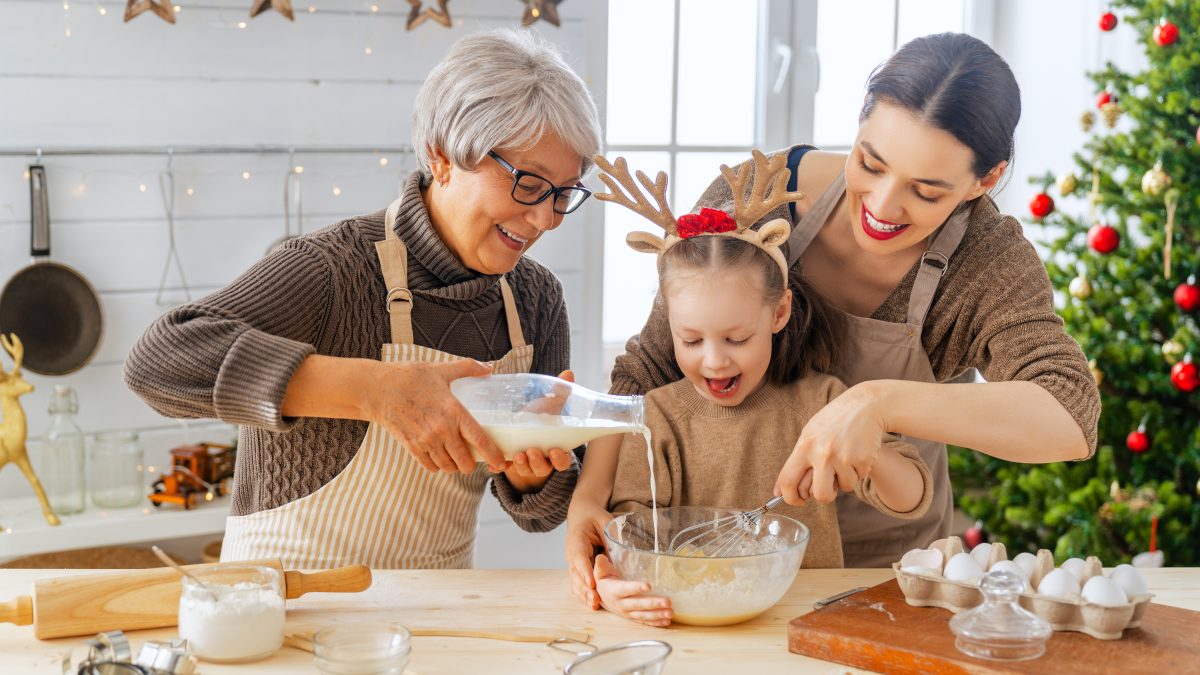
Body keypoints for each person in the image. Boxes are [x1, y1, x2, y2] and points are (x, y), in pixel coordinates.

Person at [568, 32, 1099, 603]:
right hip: (725, 564)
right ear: (860, 120)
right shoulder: (760, 196)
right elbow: (646, 368)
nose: (883, 205)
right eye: (870, 162)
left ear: (985, 180)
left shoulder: (986, 262)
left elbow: (1070, 415)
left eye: (925, 191)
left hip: (890, 574)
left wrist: (875, 403)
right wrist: (590, 498)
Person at [124, 29, 602, 569]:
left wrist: (529, 470)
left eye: (565, 192)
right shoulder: (331, 270)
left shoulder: (535, 299)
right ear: (442, 156)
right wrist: (377, 391)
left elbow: (537, 513)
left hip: (437, 614)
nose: (547, 219)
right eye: (530, 184)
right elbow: (156, 363)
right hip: (287, 607)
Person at [587, 154, 933, 626]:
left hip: (805, 618)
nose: (714, 359)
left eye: (736, 339)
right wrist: (613, 584)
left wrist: (866, 452)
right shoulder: (658, 419)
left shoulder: (822, 404)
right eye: (690, 339)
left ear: (779, 314)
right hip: (687, 622)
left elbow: (910, 496)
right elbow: (626, 532)